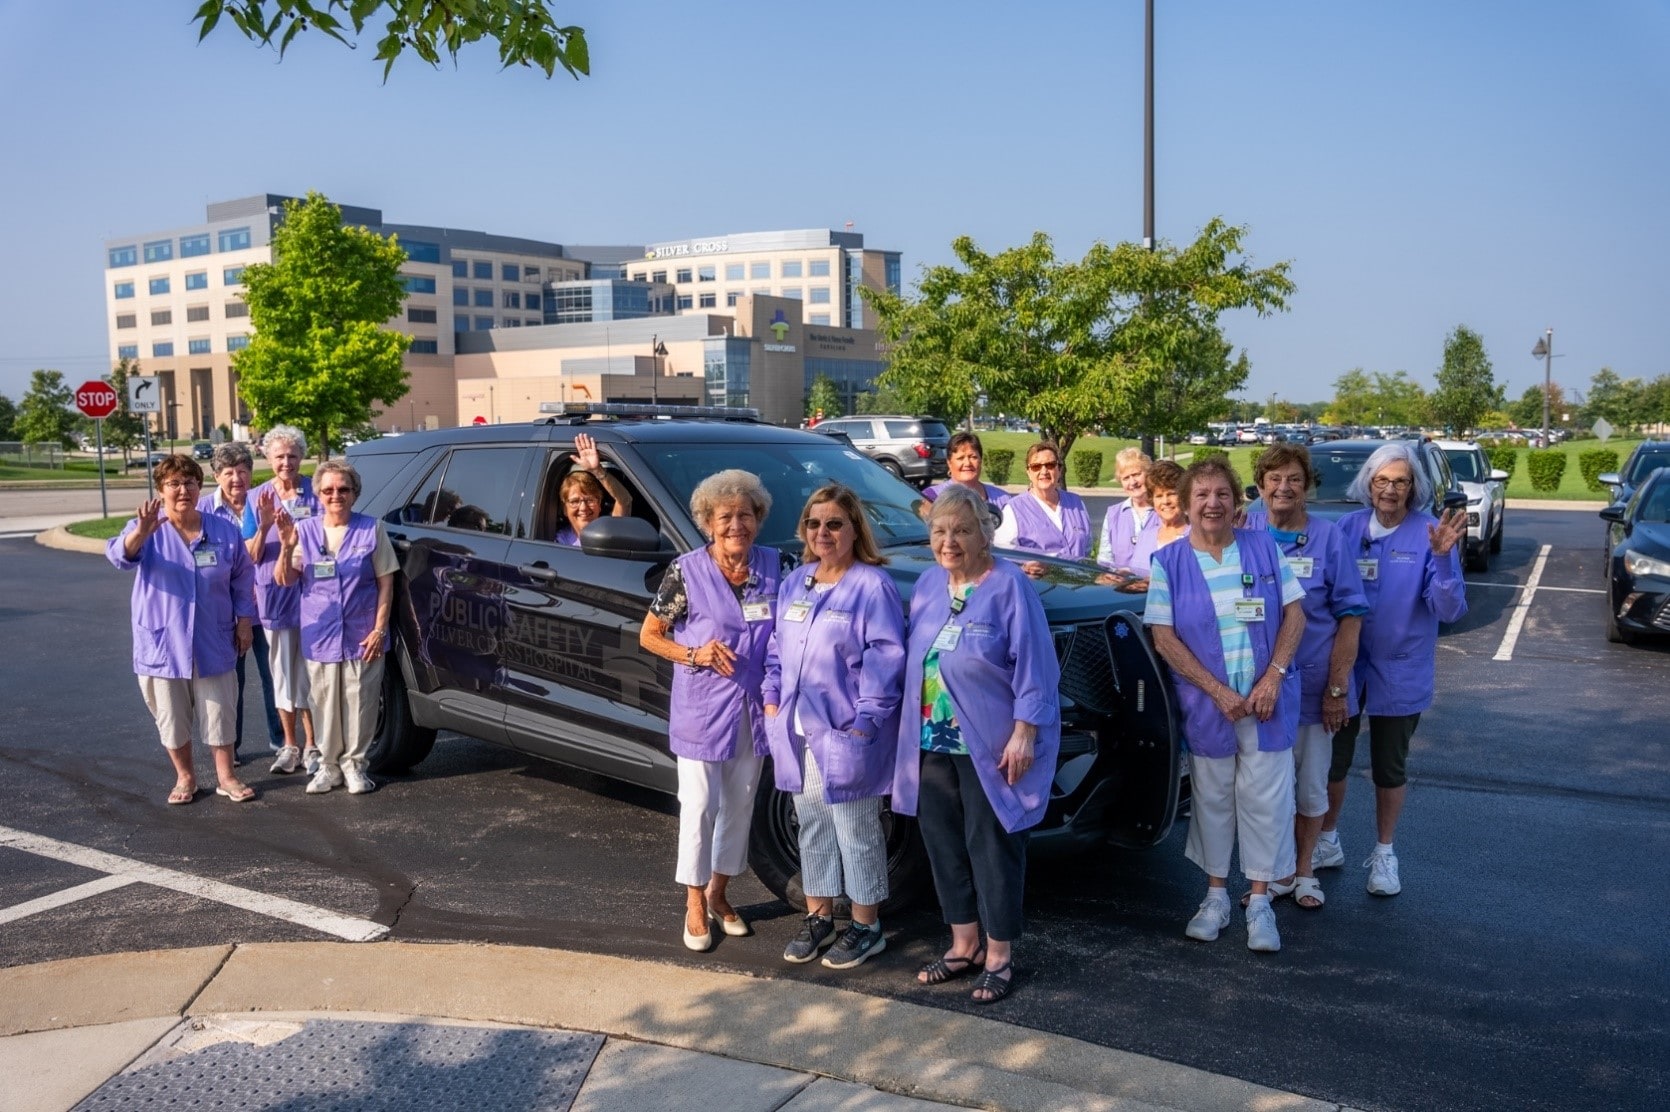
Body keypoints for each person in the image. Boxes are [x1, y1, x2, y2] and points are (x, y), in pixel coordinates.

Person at [890, 486, 1061, 1003]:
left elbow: (1037, 665)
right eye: (940, 531)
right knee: (943, 844)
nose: (950, 541)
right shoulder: (926, 585)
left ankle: (1000, 953)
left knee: (993, 846)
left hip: (989, 742)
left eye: (962, 530)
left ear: (985, 534)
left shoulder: (1009, 586)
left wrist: (1025, 731)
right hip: (931, 737)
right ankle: (963, 944)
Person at [1145, 458, 1306, 952]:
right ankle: (1215, 897)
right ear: (1187, 504)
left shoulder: (1261, 547)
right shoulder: (1167, 562)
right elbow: (1163, 637)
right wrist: (1217, 692)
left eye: (1221, 494)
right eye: (1201, 495)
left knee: (1265, 802)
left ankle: (1259, 903)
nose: (1212, 503)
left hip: (1266, 702)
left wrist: (1273, 677)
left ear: (1237, 503)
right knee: (1213, 802)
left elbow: (1295, 615)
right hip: (1210, 706)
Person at [639, 470, 789, 952]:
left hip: (754, 706)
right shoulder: (686, 571)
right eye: (725, 516)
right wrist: (695, 653)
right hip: (702, 706)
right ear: (707, 522)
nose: (736, 525)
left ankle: (720, 894)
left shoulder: (776, 566)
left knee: (740, 804)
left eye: (745, 514)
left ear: (758, 519)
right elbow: (649, 635)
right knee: (701, 805)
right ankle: (693, 903)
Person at [763, 484, 905, 970]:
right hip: (798, 729)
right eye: (814, 523)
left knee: (856, 826)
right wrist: (771, 699)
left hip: (847, 730)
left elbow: (886, 659)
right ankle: (819, 916)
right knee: (813, 823)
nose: (823, 532)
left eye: (834, 523)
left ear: (854, 529)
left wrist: (867, 721)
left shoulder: (872, 586)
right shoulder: (796, 582)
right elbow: (777, 650)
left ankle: (866, 926)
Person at [1318, 441, 1467, 897]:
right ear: (1369, 483)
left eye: (1400, 481)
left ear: (1413, 487)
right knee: (1332, 762)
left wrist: (1441, 557)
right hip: (1344, 670)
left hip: (1400, 670)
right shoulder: (1345, 527)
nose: (1390, 489)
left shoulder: (1430, 533)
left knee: (1389, 767)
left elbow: (1450, 608)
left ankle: (1384, 854)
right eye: (1382, 480)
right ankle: (1326, 841)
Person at [1242, 444, 1368, 909]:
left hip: (1315, 686)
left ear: (1307, 486)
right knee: (1266, 788)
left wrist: (1337, 690)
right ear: (1260, 486)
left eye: (1294, 478)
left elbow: (1351, 617)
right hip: (1257, 689)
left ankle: (1304, 870)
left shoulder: (1329, 538)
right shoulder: (1245, 531)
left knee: (1311, 784)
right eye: (1274, 479)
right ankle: (1273, 873)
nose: (1283, 488)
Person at [106, 454, 258, 805]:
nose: (183, 490)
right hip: (163, 640)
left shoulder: (222, 530)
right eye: (173, 483)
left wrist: (245, 621)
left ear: (199, 486)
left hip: (214, 635)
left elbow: (242, 577)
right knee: (171, 715)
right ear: (160, 491)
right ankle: (185, 777)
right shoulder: (147, 528)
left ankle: (227, 776)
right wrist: (139, 535)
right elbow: (118, 557)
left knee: (220, 709)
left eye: (189, 482)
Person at [273, 460, 398, 797]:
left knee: (361, 702)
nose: (336, 495)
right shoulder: (305, 531)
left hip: (363, 634)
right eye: (328, 490)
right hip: (321, 635)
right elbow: (284, 579)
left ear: (354, 493)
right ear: (318, 494)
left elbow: (386, 583)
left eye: (343, 489)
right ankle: (328, 767)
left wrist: (379, 629)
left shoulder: (372, 529)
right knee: (325, 704)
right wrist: (285, 546)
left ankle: (355, 766)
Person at [198, 442, 284, 760]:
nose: (237, 479)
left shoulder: (262, 503)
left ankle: (281, 741)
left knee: (274, 676)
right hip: (224, 612)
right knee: (231, 680)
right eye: (229, 472)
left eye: (243, 471)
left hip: (267, 608)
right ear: (217, 475)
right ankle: (229, 747)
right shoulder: (204, 511)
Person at [251, 425, 320, 776]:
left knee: (307, 670)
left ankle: (312, 746)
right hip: (274, 594)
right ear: (267, 458)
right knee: (281, 673)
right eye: (279, 456)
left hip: (310, 592)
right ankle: (289, 745)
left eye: (292, 455)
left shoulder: (316, 491)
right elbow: (249, 555)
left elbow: (326, 540)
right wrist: (264, 527)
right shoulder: (257, 497)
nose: (286, 462)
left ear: (301, 457)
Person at [993, 441, 1091, 561]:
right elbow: (1002, 556)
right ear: (1028, 472)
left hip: (1077, 579)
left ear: (1059, 470)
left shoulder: (1077, 504)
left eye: (1050, 465)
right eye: (1036, 467)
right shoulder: (1013, 510)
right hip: (1035, 580)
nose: (1044, 471)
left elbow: (1087, 549)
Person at [1117, 460, 1189, 592]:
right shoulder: (1146, 536)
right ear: (1152, 500)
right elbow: (1136, 573)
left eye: (1171, 494)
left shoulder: (1198, 536)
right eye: (1159, 496)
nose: (1165, 501)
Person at [554, 432, 634, 545]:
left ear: (600, 504)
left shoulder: (609, 532)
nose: (583, 508)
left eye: (590, 500)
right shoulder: (559, 540)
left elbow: (625, 500)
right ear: (564, 509)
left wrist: (597, 470)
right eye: (575, 501)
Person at [1095, 447, 1160, 582]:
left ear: (1148, 474)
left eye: (1136, 474)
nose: (1132, 482)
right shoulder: (1113, 514)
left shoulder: (1163, 511)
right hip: (1121, 590)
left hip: (1157, 588)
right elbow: (1105, 561)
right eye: (1126, 478)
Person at [921, 432, 1010, 517]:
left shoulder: (1004, 499)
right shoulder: (931, 498)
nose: (967, 463)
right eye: (960, 458)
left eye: (973, 457)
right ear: (949, 463)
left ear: (980, 461)